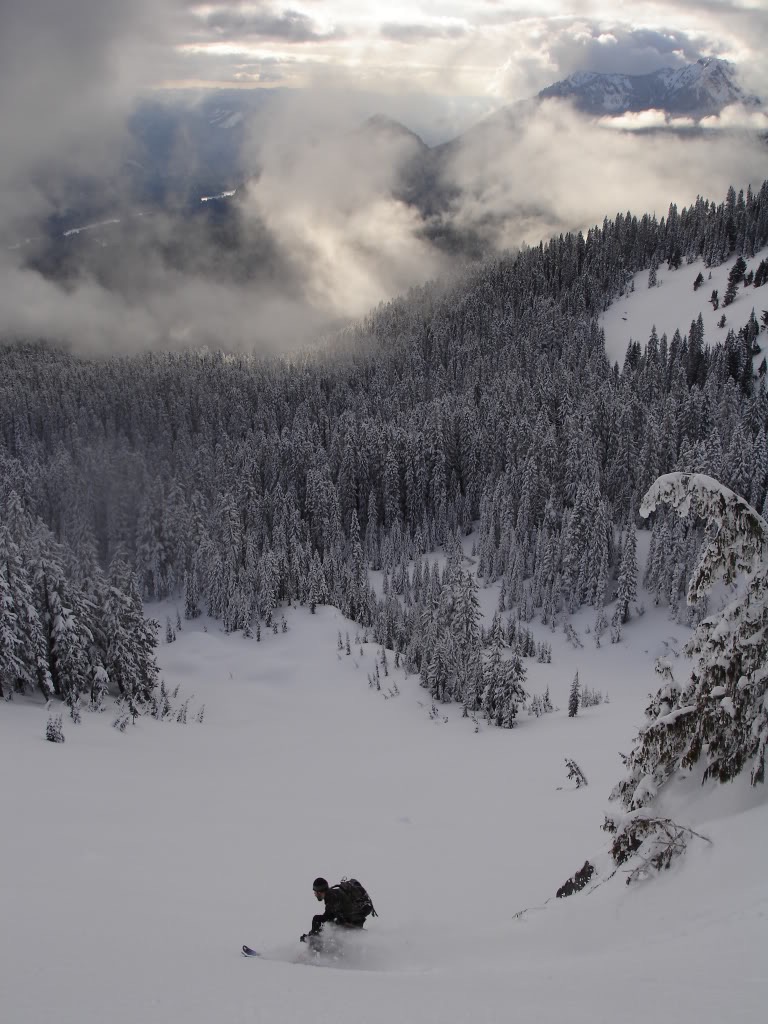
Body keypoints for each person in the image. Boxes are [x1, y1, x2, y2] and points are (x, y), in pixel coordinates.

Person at [300, 877, 370, 942]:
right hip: (357, 920)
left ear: (319, 892)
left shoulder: (332, 897)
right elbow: (329, 917)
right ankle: (316, 942)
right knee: (328, 924)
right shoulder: (334, 894)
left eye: (315, 891)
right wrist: (310, 935)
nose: (314, 894)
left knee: (317, 919)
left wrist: (310, 937)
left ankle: (314, 948)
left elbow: (325, 919)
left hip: (353, 923)